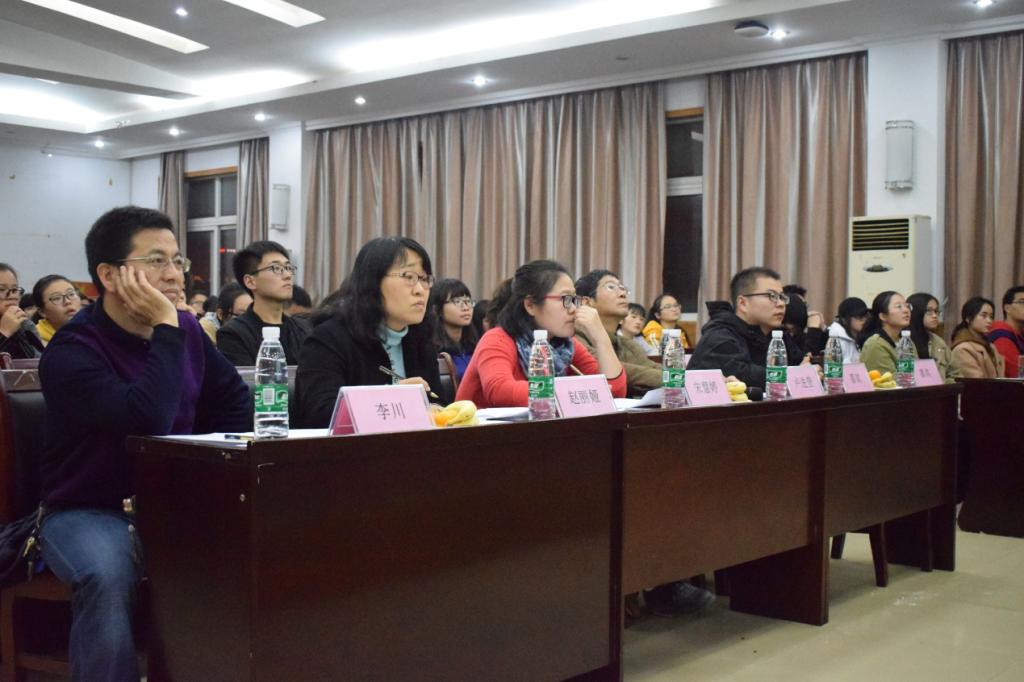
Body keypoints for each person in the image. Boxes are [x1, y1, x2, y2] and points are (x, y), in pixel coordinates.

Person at [37, 206, 251, 682]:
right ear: (109, 275)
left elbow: (234, 401)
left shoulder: (186, 331)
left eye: (177, 261)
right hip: (88, 508)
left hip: (173, 501)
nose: (174, 274)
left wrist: (211, 472)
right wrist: (166, 328)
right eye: (156, 261)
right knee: (106, 574)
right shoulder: (73, 350)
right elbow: (146, 420)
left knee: (258, 548)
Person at [294, 237, 442, 428]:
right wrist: (392, 398)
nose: (420, 290)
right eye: (408, 277)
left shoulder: (420, 341)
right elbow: (320, 413)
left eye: (424, 279)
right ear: (373, 281)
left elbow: (439, 403)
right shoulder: (328, 339)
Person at [456, 260, 626, 407]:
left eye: (574, 299)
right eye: (565, 299)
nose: (574, 308)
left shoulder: (565, 345)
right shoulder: (498, 339)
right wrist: (572, 392)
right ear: (530, 305)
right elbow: (500, 390)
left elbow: (615, 392)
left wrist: (600, 337)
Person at [687, 267, 805, 391]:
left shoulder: (776, 336)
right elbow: (746, 376)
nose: (781, 304)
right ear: (743, 303)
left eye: (782, 297)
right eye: (772, 296)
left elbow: (799, 363)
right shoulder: (719, 336)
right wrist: (797, 377)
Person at [217, 240, 310, 366]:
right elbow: (245, 378)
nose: (287, 275)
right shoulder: (233, 334)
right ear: (250, 281)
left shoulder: (304, 329)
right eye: (276, 268)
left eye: (288, 268)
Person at [574, 270, 662, 396]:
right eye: (611, 287)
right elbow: (613, 370)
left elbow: (649, 367)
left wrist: (680, 377)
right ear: (587, 302)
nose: (622, 293)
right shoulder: (575, 338)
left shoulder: (629, 345)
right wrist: (674, 379)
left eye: (622, 288)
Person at [429, 278, 478, 380]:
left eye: (468, 301)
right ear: (437, 309)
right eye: (457, 301)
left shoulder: (474, 348)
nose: (466, 308)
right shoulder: (433, 351)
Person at [858, 291, 917, 375]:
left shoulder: (906, 341)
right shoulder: (875, 344)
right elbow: (889, 380)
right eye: (899, 306)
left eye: (907, 306)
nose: (906, 310)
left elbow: (918, 372)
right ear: (883, 316)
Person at [907, 292, 961, 383]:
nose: (935, 316)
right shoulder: (902, 341)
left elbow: (955, 373)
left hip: (940, 391)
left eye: (936, 311)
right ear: (916, 312)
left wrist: (944, 384)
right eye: (929, 311)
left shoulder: (938, 341)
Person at [951, 296, 1005, 379]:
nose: (989, 321)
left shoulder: (990, 346)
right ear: (968, 318)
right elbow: (977, 382)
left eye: (991, 317)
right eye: (984, 316)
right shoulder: (962, 349)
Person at [0, 263, 45, 359]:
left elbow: (39, 361)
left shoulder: (25, 324)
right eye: (1, 289)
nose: (12, 296)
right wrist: (3, 333)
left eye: (14, 289)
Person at [32, 275, 83, 344]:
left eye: (71, 294)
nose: (68, 301)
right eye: (57, 298)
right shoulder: (36, 343)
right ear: (42, 312)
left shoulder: (92, 331)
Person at [989, 285, 1024, 378]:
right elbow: (1016, 374)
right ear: (1007, 308)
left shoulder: (1020, 335)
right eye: (1022, 302)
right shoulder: (1002, 334)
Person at [826, 297, 869, 364]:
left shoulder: (863, 337)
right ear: (844, 319)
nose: (864, 320)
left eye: (866, 316)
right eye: (859, 317)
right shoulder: (834, 341)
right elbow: (832, 370)